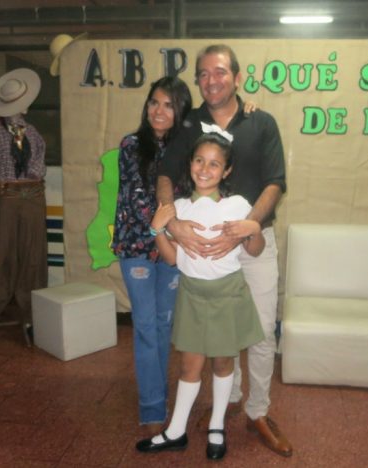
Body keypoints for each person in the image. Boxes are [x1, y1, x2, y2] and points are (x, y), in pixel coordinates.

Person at [157, 44, 292, 457]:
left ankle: (258, 411)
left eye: (219, 72)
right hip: (204, 249)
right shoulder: (188, 125)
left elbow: (275, 181)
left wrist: (247, 225)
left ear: (237, 76)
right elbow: (165, 175)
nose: (211, 80)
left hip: (252, 240)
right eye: (203, 74)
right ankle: (227, 401)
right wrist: (172, 222)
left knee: (261, 331)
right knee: (219, 337)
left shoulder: (260, 122)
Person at [137, 132, 265, 461]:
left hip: (228, 294)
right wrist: (157, 229)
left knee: (223, 363)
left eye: (214, 164)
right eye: (199, 161)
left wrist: (254, 229)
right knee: (189, 366)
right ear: (190, 164)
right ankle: (176, 431)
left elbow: (255, 249)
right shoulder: (177, 208)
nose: (204, 169)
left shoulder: (238, 205)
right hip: (192, 294)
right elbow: (171, 258)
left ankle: (217, 426)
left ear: (227, 170)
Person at [111, 76, 192, 434]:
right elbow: (138, 199)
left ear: (180, 111)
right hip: (138, 248)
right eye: (154, 102)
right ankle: (152, 405)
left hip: (173, 250)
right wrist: (169, 228)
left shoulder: (187, 149)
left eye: (169, 105)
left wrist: (176, 234)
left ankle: (159, 393)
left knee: (163, 324)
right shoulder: (131, 145)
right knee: (145, 326)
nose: (159, 111)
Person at [0, 68, 47, 351]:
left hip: (33, 197)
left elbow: (38, 168)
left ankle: (34, 319)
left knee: (32, 259)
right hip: (10, 197)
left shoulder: (33, 133)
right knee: (0, 257)